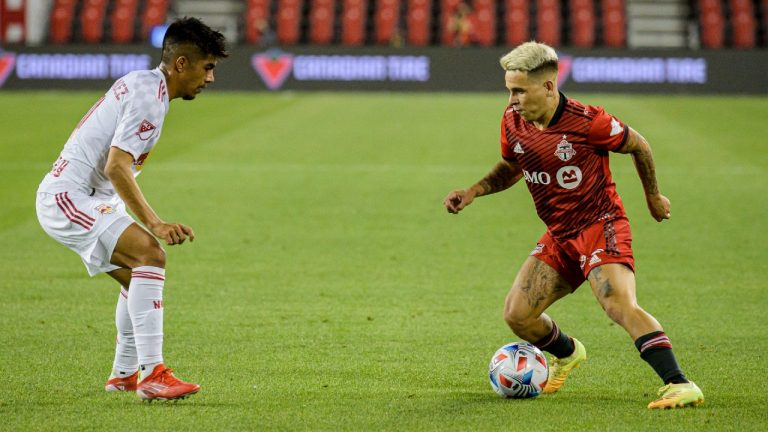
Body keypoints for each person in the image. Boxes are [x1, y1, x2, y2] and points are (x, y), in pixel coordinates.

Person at [443, 42, 704, 409]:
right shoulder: (513, 121)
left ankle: (679, 383)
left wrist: (653, 197)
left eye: (519, 90)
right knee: (517, 315)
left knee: (618, 304)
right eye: (509, 90)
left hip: (601, 225)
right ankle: (568, 353)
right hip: (560, 235)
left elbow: (639, 145)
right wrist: (474, 191)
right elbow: (513, 166)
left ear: (548, 87)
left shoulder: (588, 122)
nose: (512, 99)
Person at [35, 17, 228, 402]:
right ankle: (153, 373)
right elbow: (116, 166)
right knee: (150, 254)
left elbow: (114, 167)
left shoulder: (147, 85)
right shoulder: (148, 99)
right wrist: (153, 223)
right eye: (207, 68)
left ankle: (124, 374)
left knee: (138, 276)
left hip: (89, 197)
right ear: (180, 64)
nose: (210, 79)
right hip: (69, 197)